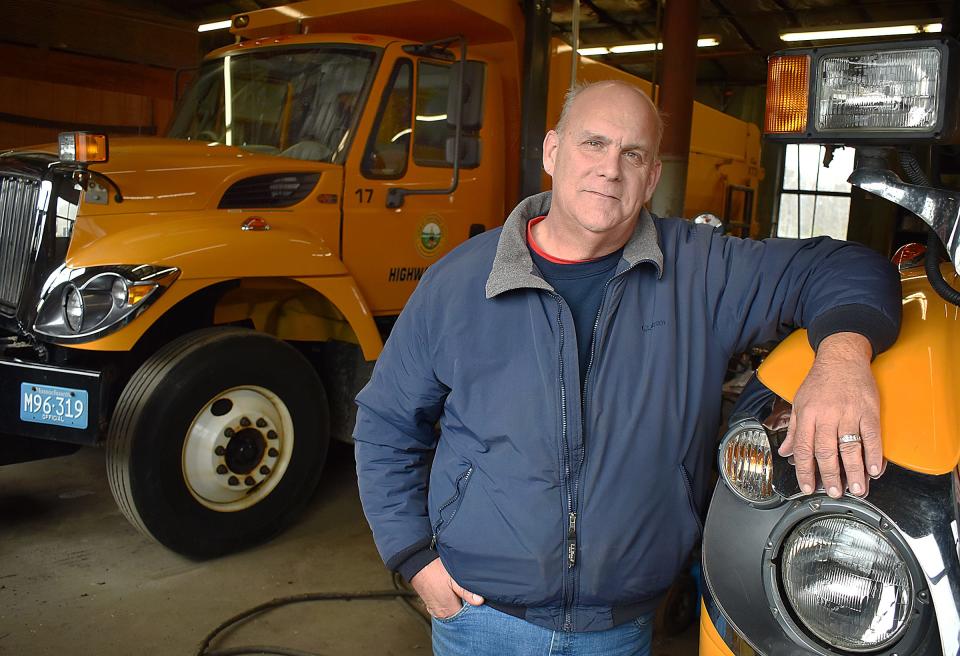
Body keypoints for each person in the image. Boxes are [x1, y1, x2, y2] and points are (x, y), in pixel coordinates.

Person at [353, 80, 901, 655]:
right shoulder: (459, 283)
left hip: (619, 627)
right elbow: (387, 423)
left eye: (632, 153)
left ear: (652, 177)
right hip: (478, 617)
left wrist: (841, 359)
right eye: (593, 143)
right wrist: (414, 557)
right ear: (552, 152)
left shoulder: (701, 272)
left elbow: (847, 266)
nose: (610, 169)